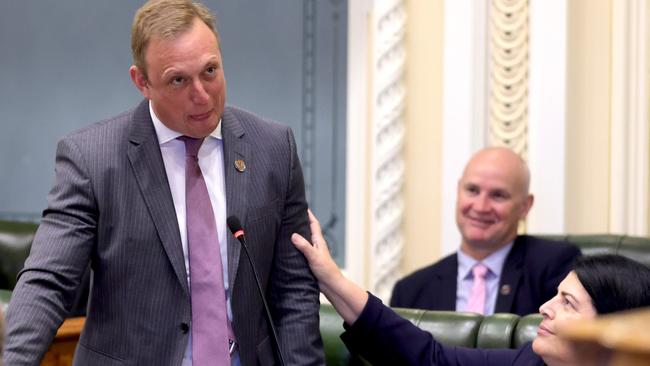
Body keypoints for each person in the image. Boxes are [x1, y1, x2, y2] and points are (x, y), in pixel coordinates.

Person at [3, 1, 324, 365]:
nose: (202, 95)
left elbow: (295, 289)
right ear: (142, 82)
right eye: (178, 80)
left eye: (210, 71)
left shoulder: (273, 147)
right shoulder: (93, 158)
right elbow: (48, 280)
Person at [292, 210, 650, 366]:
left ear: (613, 330)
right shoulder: (531, 360)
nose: (545, 307)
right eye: (555, 295)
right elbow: (428, 358)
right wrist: (331, 279)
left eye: (568, 303)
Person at [391, 147, 581, 315]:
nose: (481, 207)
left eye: (498, 195)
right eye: (472, 190)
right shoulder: (410, 292)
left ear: (525, 206)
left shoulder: (555, 266)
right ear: (458, 191)